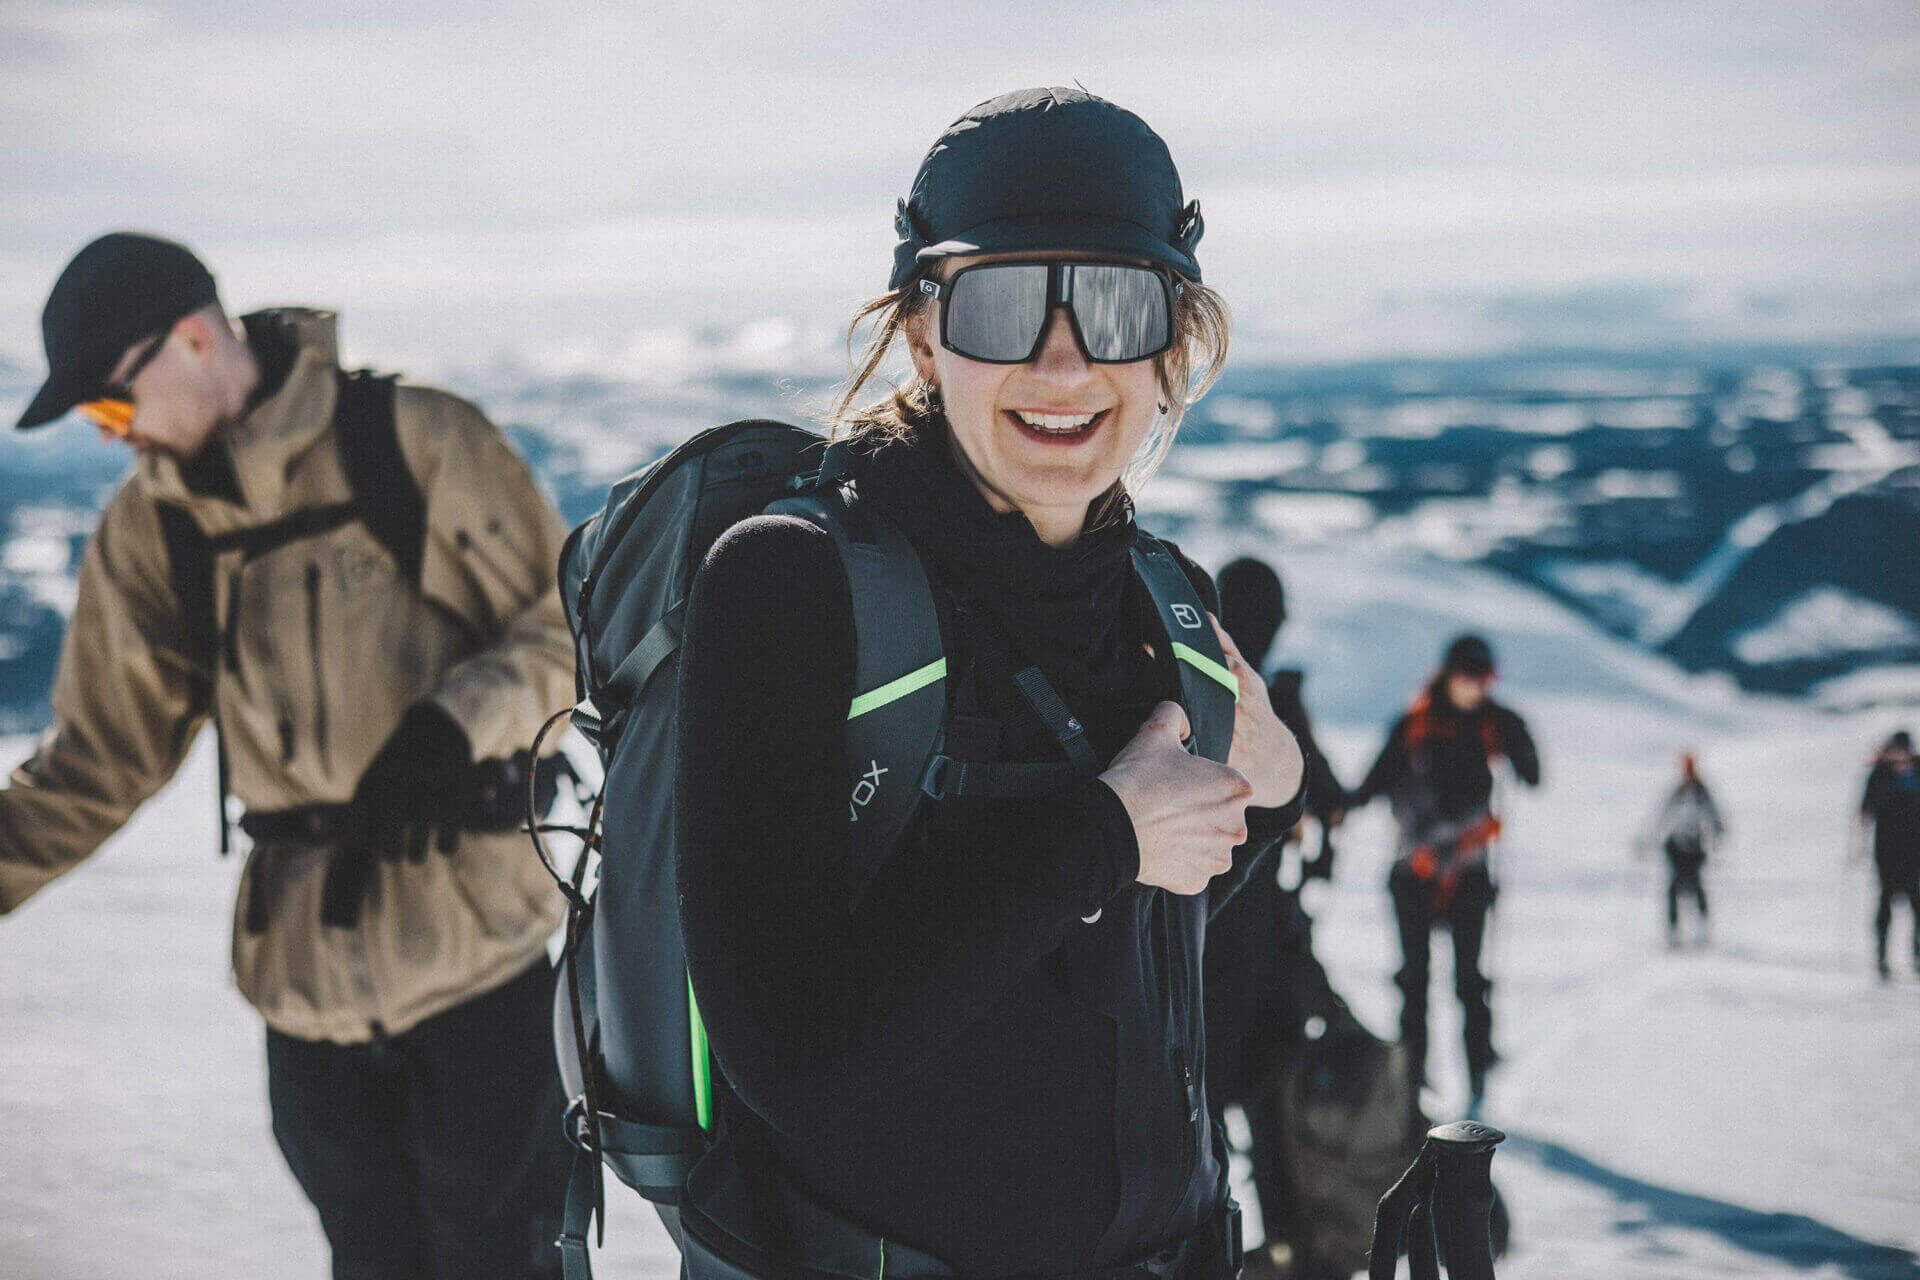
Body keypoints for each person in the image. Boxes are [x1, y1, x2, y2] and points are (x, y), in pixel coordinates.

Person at [675, 88, 1306, 1278]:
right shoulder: (793, 583)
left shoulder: (1165, 597)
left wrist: (1274, 786)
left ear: (1171, 346)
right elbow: (789, 1056)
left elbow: (1135, 929)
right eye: (1003, 305)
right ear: (924, 337)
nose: (1062, 362)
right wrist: (1106, 831)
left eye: (1115, 306)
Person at [1, 232, 576, 1279]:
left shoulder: (414, 439)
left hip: (479, 972)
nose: (117, 437)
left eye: (112, 407)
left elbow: (566, 630)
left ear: (191, 339)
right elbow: (98, 761)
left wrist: (456, 724)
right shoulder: (151, 529)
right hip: (303, 998)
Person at [1203, 556, 1349, 1275]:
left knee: (1195, 1092)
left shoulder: (1188, 680)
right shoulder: (1275, 702)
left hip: (1188, 920)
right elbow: (1329, 795)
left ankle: (1203, 1243)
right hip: (1257, 926)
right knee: (1263, 1088)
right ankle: (1288, 1242)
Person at [1350, 633, 1539, 1106]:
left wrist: (1517, 737)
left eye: (1485, 679)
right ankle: (1413, 1083)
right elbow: (1371, 786)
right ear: (1450, 674)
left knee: (1469, 982)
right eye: (1470, 677)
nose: (1477, 687)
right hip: (1413, 870)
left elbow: (1532, 775)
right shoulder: (1413, 725)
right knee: (1414, 982)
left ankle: (1476, 1077)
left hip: (1467, 873)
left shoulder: (1494, 724)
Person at [1638, 751, 1724, 946]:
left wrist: (1718, 832)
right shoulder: (1676, 792)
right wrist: (1649, 837)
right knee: (1673, 888)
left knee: (1696, 886)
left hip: (1695, 846)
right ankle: (1673, 932)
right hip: (1676, 846)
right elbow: (1661, 814)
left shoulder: (1702, 793)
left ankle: (1702, 929)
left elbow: (1714, 814)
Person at [1859, 730, 1920, 980]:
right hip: (1886, 849)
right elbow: (1865, 808)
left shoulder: (1917, 769)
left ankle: (1917, 954)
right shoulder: (1881, 773)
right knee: (1886, 901)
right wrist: (1858, 844)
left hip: (1914, 849)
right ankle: (1882, 956)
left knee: (1916, 902)